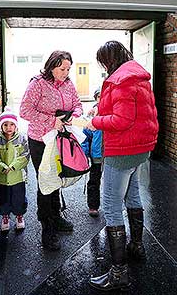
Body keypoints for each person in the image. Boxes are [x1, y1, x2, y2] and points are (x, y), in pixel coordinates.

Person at [86, 41, 159, 291]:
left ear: (110, 59)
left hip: (123, 150)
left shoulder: (121, 80)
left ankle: (119, 272)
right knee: (133, 194)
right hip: (140, 147)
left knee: (111, 206)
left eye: (103, 61)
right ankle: (136, 246)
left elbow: (121, 119)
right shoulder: (137, 76)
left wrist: (95, 121)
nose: (103, 66)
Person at [19, 50, 83, 251]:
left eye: (68, 69)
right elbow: (24, 110)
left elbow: (78, 105)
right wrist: (51, 121)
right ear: (52, 66)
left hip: (60, 139)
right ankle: (47, 228)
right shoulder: (37, 83)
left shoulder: (68, 84)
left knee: (57, 178)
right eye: (62, 68)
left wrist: (75, 115)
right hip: (40, 140)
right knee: (46, 181)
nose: (66, 72)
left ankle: (56, 217)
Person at [0, 107, 30, 232]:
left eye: (11, 124)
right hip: (3, 178)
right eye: (5, 124)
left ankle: (19, 216)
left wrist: (14, 165)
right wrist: (2, 167)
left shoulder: (22, 139)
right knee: (3, 198)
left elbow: (25, 155)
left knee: (18, 198)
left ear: (15, 126)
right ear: (1, 126)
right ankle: (5, 217)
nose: (8, 127)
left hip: (18, 177)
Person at [81, 88, 103, 217]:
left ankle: (111, 205)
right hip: (96, 157)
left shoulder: (113, 115)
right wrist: (85, 155)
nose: (101, 100)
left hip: (111, 156)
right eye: (99, 97)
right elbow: (85, 138)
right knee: (94, 181)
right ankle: (93, 205)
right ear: (96, 98)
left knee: (112, 183)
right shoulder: (91, 118)